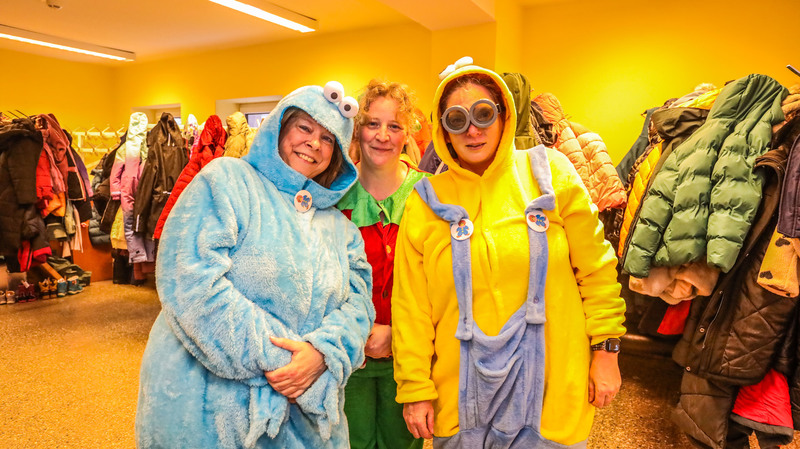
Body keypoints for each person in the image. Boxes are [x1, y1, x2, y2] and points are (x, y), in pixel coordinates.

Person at [391, 61, 626, 448]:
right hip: (461, 402)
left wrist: (606, 350)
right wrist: (415, 387)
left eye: (483, 113)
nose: (472, 129)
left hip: (553, 393)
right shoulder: (426, 202)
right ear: (443, 130)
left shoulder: (550, 173)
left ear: (504, 115)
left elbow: (597, 270)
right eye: (456, 119)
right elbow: (411, 307)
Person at [135, 82, 375, 449]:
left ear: (338, 154)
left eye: (328, 139)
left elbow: (359, 306)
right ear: (278, 127)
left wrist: (323, 354)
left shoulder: (341, 229)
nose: (314, 143)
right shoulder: (225, 180)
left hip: (306, 427)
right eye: (305, 127)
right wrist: (290, 363)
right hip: (209, 411)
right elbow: (191, 281)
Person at [337, 80, 426, 449]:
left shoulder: (429, 196)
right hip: (346, 356)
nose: (382, 136)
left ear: (408, 133)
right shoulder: (333, 193)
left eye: (394, 126)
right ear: (358, 129)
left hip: (409, 360)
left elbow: (440, 285)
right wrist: (355, 330)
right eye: (373, 123)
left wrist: (397, 333)